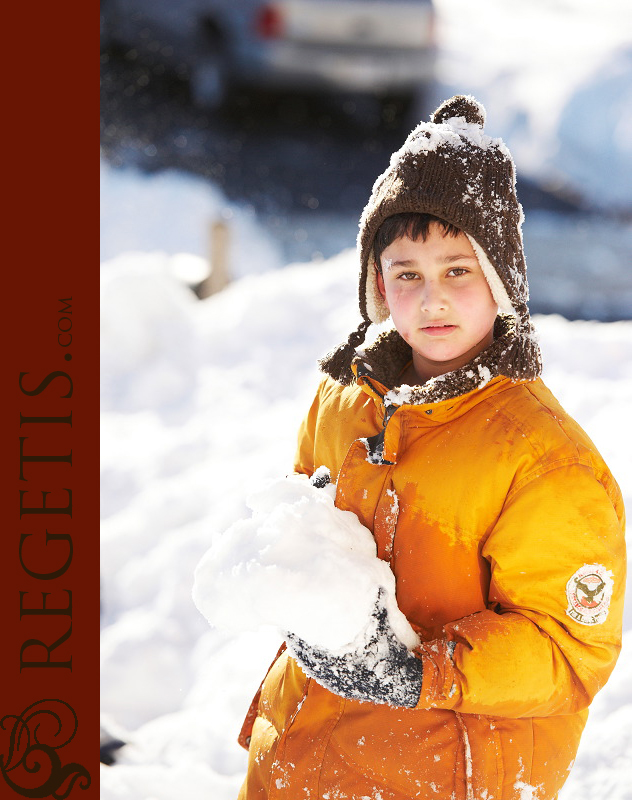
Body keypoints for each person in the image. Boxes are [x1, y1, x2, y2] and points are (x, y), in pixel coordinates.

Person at [236, 95, 626, 800]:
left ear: (502, 283)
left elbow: (571, 649)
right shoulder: (343, 397)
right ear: (376, 283)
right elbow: (300, 523)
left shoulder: (541, 458)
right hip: (299, 755)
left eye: (458, 270)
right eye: (406, 272)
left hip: (438, 773)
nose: (430, 298)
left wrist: (422, 672)